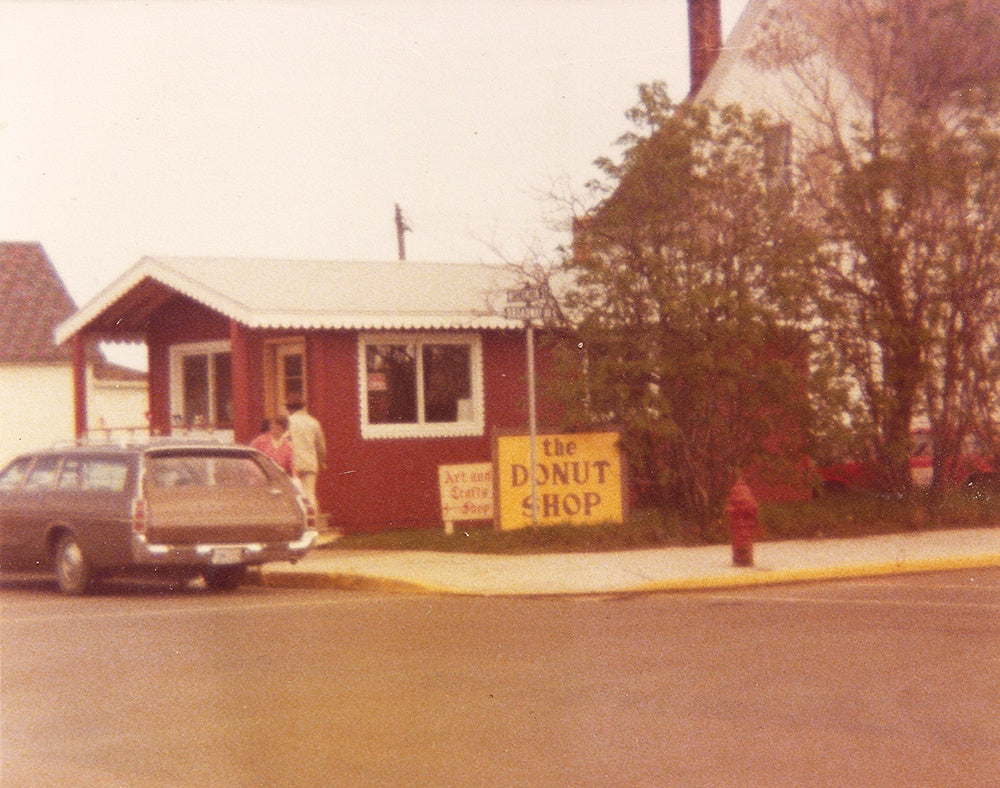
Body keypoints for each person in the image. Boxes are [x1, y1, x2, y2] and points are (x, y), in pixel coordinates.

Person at [286, 398, 327, 509]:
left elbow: (284, 441)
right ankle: (312, 521)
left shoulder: (288, 422)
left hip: (293, 463)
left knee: (295, 494)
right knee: (309, 493)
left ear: (289, 408)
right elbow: (320, 444)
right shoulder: (313, 422)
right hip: (310, 462)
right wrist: (322, 460)